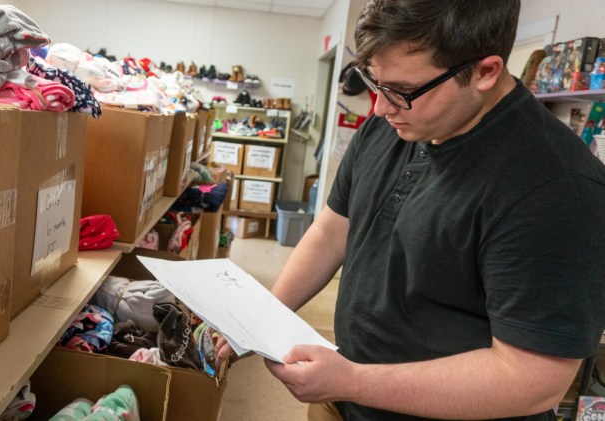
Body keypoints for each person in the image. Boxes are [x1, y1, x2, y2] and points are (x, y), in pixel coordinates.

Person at [214, 0, 605, 420]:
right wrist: (258, 319)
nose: (380, 107)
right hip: (345, 398)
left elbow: (532, 380)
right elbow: (332, 232)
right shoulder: (393, 124)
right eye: (373, 81)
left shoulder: (557, 189)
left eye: (401, 90)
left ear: (486, 71)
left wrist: (352, 380)